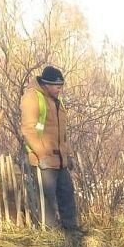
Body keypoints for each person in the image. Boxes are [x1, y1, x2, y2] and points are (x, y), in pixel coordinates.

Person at [20, 65, 79, 231]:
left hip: (60, 159)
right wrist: (41, 154)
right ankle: (50, 233)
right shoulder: (33, 97)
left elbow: (63, 133)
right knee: (47, 200)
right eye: (56, 86)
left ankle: (71, 230)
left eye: (61, 86)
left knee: (67, 193)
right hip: (43, 159)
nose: (59, 90)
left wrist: (69, 155)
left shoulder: (57, 101)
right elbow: (29, 129)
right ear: (46, 84)